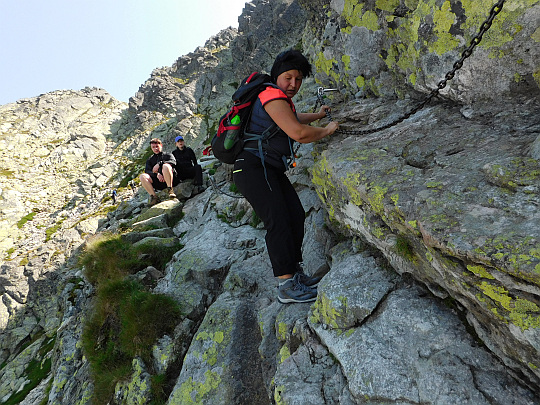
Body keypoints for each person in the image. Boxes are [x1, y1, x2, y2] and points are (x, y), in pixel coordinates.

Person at [233, 49, 339, 303]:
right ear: (277, 75)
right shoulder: (270, 94)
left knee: (295, 215)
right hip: (253, 168)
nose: (294, 84)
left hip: (267, 169)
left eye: (299, 79)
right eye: (288, 77)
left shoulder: (277, 98)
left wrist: (319, 116)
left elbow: (292, 118)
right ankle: (286, 284)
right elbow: (298, 132)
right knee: (278, 220)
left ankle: (295, 273)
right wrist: (327, 130)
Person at [140, 138, 177, 206]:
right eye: (153, 147)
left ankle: (170, 190)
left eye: (157, 146)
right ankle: (154, 197)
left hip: (172, 180)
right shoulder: (150, 159)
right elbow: (147, 171)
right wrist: (157, 174)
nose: (155, 148)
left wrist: (160, 164)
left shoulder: (167, 154)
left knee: (166, 166)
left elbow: (173, 162)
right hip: (158, 182)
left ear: (161, 145)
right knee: (142, 176)